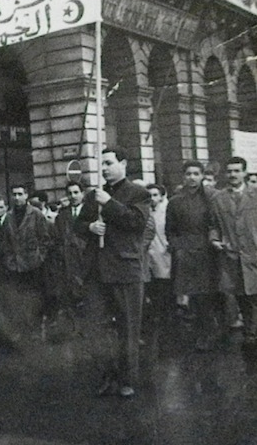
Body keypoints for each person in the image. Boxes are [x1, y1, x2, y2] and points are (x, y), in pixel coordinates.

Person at [76, 147, 151, 398]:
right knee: (97, 327)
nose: (105, 168)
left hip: (125, 270)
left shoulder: (138, 193)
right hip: (97, 271)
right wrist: (90, 226)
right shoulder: (93, 195)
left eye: (109, 163)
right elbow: (77, 226)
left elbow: (136, 223)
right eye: (102, 164)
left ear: (124, 163)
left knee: (128, 327)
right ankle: (108, 375)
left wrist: (109, 204)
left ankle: (128, 378)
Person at [166, 160, 219, 351]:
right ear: (183, 176)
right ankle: (199, 334)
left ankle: (208, 333)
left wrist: (212, 242)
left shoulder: (210, 198)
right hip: (185, 254)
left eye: (196, 174)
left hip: (206, 252)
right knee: (192, 298)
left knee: (206, 296)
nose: (192, 178)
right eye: (188, 174)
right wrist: (177, 247)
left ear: (202, 176)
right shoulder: (175, 201)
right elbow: (170, 230)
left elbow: (215, 223)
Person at [209, 156, 257, 346]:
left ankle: (253, 331)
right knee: (242, 295)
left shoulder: (255, 194)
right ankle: (250, 332)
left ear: (245, 172)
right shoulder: (218, 198)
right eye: (229, 171)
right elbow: (213, 224)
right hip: (233, 255)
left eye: (237, 171)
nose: (233, 175)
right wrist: (214, 239)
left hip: (254, 252)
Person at [0, 184, 52, 343]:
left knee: (35, 299)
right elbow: (5, 242)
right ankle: (23, 332)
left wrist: (39, 258)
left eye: (20, 194)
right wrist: (9, 260)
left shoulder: (36, 215)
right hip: (15, 266)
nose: (17, 197)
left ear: (26, 195)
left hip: (33, 266)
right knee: (19, 300)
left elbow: (45, 240)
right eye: (14, 194)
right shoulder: (8, 217)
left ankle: (36, 331)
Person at [51, 181, 89, 328]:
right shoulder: (63, 215)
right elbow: (57, 237)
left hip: (86, 260)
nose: (73, 196)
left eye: (76, 192)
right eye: (70, 193)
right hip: (68, 262)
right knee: (71, 296)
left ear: (82, 193)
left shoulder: (90, 212)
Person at [145, 184, 172, 331]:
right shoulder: (146, 212)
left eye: (155, 195)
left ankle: (167, 321)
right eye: (149, 195)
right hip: (150, 256)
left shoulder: (166, 211)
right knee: (153, 290)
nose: (152, 199)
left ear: (161, 196)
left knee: (165, 289)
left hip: (164, 255)